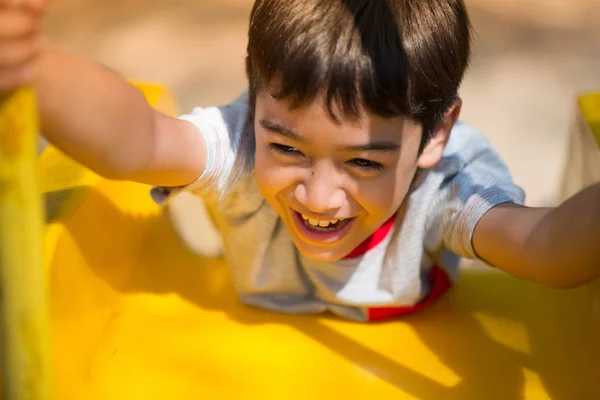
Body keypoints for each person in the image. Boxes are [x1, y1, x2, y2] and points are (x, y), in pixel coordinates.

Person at [1, 0, 598, 322]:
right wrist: (31, 66)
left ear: (435, 135)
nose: (318, 196)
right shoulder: (240, 146)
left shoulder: (439, 187)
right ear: (257, 103)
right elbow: (136, 141)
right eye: (287, 149)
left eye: (363, 163)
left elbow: (544, 247)